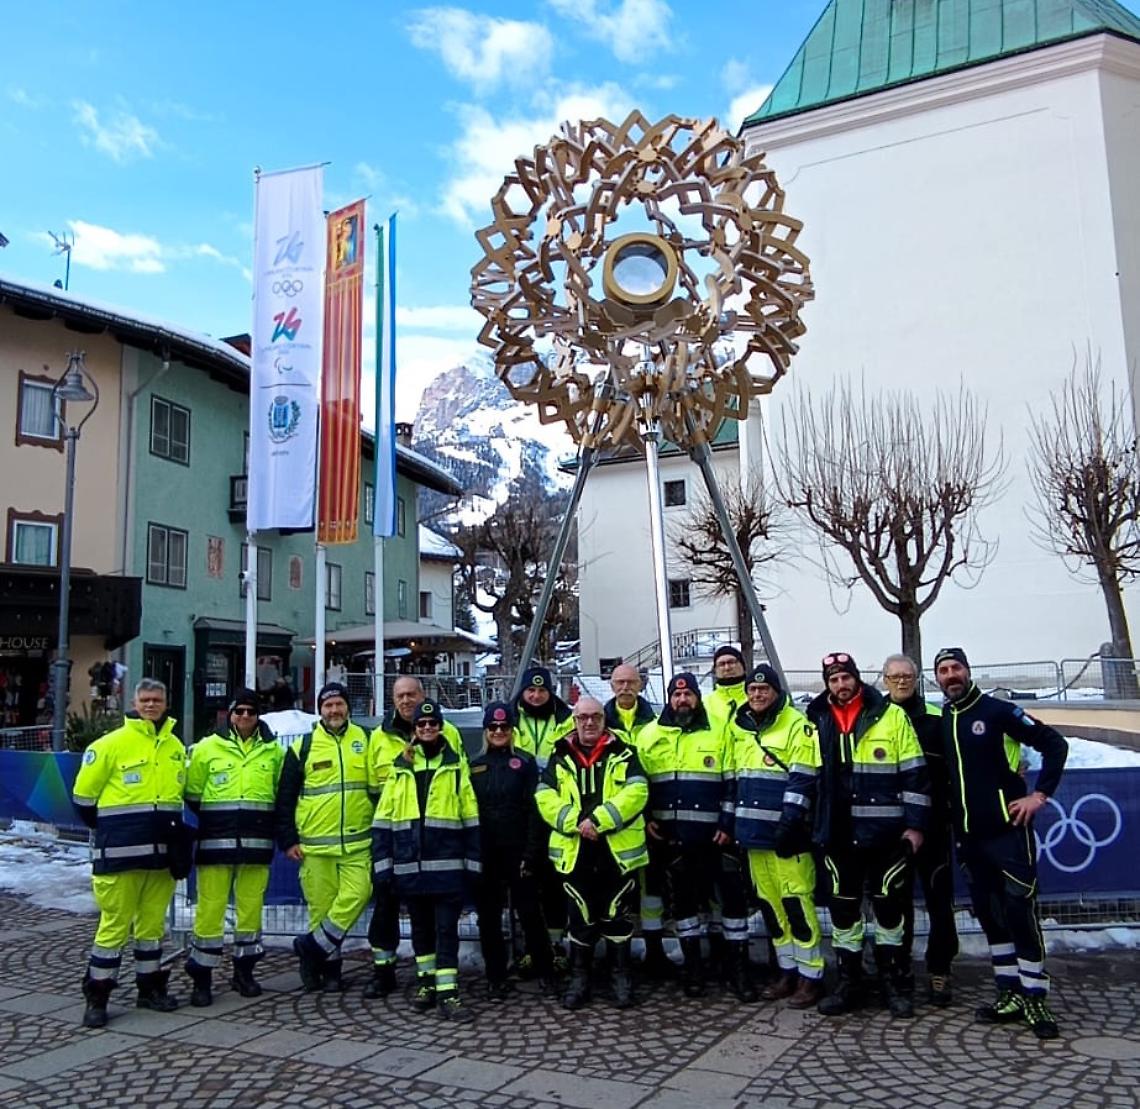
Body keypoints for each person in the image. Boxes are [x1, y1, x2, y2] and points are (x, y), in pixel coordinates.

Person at [933, 647, 1068, 1040]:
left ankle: (1035, 995)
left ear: (968, 671)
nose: (951, 675)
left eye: (956, 667)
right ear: (937, 678)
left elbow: (1054, 744)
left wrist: (1039, 795)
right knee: (990, 915)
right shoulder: (946, 716)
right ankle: (1008, 990)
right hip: (970, 839)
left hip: (1007, 834)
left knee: (1019, 910)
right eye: (943, 670)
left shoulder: (997, 711)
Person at [806, 652, 929, 1019]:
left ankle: (894, 982)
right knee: (843, 913)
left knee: (889, 910)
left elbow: (915, 774)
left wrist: (915, 825)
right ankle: (849, 983)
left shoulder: (892, 716)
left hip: (885, 833)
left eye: (846, 678)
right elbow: (805, 776)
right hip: (838, 835)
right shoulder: (816, 719)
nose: (841, 686)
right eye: (833, 680)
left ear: (857, 679)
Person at [72, 678, 187, 1028]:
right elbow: (83, 800)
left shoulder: (175, 746)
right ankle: (98, 996)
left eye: (157, 699)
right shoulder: (109, 745)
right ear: (135, 703)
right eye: (145, 700)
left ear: (166, 703)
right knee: (113, 929)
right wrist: (114, 832)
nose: (151, 705)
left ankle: (149, 988)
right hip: (119, 856)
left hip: (161, 858)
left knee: (151, 928)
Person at [637, 672, 757, 1002]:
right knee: (684, 904)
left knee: (732, 902)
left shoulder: (720, 729)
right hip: (672, 839)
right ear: (669, 699)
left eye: (688, 694)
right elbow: (637, 783)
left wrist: (728, 823)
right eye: (676, 696)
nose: (682, 700)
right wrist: (646, 818)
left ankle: (738, 969)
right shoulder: (649, 734)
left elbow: (734, 782)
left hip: (717, 837)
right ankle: (693, 968)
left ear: (697, 697)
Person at [536, 696, 649, 1010]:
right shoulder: (558, 755)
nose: (589, 722)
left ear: (604, 719)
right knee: (580, 917)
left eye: (595, 717)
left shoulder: (625, 752)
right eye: (582, 717)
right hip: (575, 851)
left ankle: (620, 977)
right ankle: (579, 979)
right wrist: (577, 824)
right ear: (574, 721)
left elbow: (637, 791)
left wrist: (600, 820)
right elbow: (545, 797)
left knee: (617, 916)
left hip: (616, 851)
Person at [372, 700, 481, 1021]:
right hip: (409, 866)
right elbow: (383, 820)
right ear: (415, 730)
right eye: (422, 725)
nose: (428, 729)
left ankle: (448, 991)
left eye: (433, 724)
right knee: (421, 929)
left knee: (446, 929)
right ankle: (426, 983)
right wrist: (383, 866)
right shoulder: (400, 767)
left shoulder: (456, 765)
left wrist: (473, 864)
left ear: (441, 727)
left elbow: (470, 817)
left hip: (447, 866)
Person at [728, 664, 824, 1008]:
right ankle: (787, 970)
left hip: (787, 837)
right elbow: (735, 778)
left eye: (764, 689)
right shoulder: (739, 728)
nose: (757, 695)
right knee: (771, 909)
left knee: (797, 905)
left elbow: (803, 778)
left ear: (776, 691)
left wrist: (791, 822)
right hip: (753, 837)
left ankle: (811, 975)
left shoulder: (797, 725)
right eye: (752, 690)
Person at [364, 675, 465, 998]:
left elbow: (458, 786)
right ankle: (384, 971)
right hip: (397, 840)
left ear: (423, 694)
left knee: (430, 918)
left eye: (411, 694)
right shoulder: (379, 738)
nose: (406, 700)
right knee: (385, 908)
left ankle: (434, 975)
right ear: (393, 700)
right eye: (400, 696)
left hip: (436, 846)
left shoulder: (448, 732)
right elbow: (372, 789)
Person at [183, 688, 283, 1005]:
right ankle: (202, 977)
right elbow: (194, 794)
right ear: (229, 714)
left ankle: (245, 971)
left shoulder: (273, 752)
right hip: (215, 845)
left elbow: (280, 794)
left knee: (250, 913)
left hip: (256, 846)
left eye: (250, 712)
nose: (244, 717)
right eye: (238, 711)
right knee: (209, 913)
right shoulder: (207, 749)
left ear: (258, 716)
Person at [276, 681, 374, 994]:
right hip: (314, 846)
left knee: (357, 894)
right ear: (319, 710)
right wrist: (288, 839)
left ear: (348, 707)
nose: (334, 710)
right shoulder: (301, 747)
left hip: (358, 843)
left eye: (339, 704)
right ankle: (330, 970)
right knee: (322, 911)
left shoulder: (367, 740)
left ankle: (310, 948)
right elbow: (286, 797)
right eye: (328, 705)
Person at [882, 654, 958, 1007]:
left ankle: (939, 970)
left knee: (939, 902)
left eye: (907, 675)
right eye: (894, 676)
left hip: (934, 828)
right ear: (883, 680)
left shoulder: (935, 719)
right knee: (895, 905)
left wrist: (1015, 765)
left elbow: (962, 762)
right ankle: (900, 970)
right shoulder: (876, 717)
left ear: (917, 678)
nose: (901, 682)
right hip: (890, 830)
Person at [468, 701, 552, 999]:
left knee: (531, 915)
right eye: (493, 727)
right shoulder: (474, 766)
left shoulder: (526, 764)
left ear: (512, 730)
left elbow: (535, 811)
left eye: (504, 727)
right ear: (486, 730)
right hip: (486, 854)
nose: (499, 731)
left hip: (519, 853)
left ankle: (546, 973)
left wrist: (532, 854)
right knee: (489, 919)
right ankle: (496, 977)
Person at [603, 664, 669, 976]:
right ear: (611, 685)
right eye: (619, 682)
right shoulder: (599, 723)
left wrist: (652, 814)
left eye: (631, 682)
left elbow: (660, 774)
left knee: (652, 886)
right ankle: (619, 957)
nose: (625, 687)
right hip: (614, 822)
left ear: (641, 685)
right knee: (618, 890)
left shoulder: (657, 722)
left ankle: (655, 951)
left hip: (650, 820)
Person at [511, 666, 575, 767]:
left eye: (542, 690)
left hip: (555, 777)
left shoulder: (566, 720)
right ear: (522, 692)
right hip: (519, 776)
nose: (536, 695)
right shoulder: (509, 718)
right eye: (531, 690)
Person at [704, 646, 749, 731]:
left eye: (731, 662)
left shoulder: (757, 698)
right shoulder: (705, 704)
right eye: (721, 664)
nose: (727, 668)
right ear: (715, 670)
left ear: (743, 666)